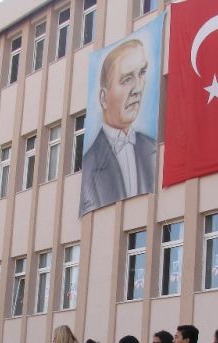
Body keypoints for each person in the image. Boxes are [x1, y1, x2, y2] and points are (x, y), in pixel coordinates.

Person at [80, 38, 156, 215]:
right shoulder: (90, 164)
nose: (138, 88)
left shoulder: (152, 148)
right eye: (127, 79)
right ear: (103, 98)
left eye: (142, 73)